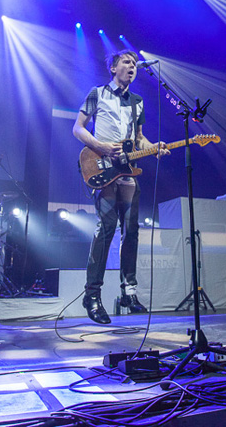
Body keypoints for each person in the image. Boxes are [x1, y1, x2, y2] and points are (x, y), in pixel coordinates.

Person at [72, 50, 168, 324]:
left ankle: (129, 292)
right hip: (103, 167)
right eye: (127, 62)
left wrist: (154, 147)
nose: (132, 66)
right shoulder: (98, 93)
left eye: (135, 64)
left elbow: (139, 139)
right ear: (113, 67)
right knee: (106, 230)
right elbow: (78, 128)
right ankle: (92, 295)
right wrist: (100, 146)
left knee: (132, 232)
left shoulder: (137, 102)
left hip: (127, 172)